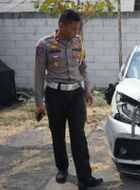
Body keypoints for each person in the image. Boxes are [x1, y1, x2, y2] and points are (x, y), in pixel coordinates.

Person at [34, 9, 104, 189]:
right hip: (55, 95)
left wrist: (87, 89)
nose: (76, 33)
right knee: (58, 134)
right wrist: (39, 103)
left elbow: (83, 67)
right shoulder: (44, 45)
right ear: (61, 26)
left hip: (75, 95)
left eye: (77, 29)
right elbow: (39, 75)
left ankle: (85, 177)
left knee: (78, 136)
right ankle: (62, 169)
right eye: (73, 29)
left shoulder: (78, 42)